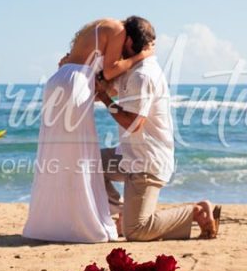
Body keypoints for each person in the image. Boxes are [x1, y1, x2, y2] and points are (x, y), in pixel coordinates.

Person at [22, 19, 153, 242]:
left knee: (58, 154)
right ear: (129, 38)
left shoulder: (98, 29)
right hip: (75, 83)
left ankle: (50, 223)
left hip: (59, 80)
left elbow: (102, 75)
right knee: (79, 154)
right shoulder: (118, 30)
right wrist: (141, 57)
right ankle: (81, 223)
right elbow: (111, 71)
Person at [96, 16, 220, 240]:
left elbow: (133, 124)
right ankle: (123, 212)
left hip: (146, 163)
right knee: (88, 163)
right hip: (130, 156)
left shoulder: (143, 75)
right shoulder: (134, 70)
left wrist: (105, 99)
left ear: (130, 42)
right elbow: (108, 88)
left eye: (120, 41)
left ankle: (194, 212)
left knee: (136, 231)